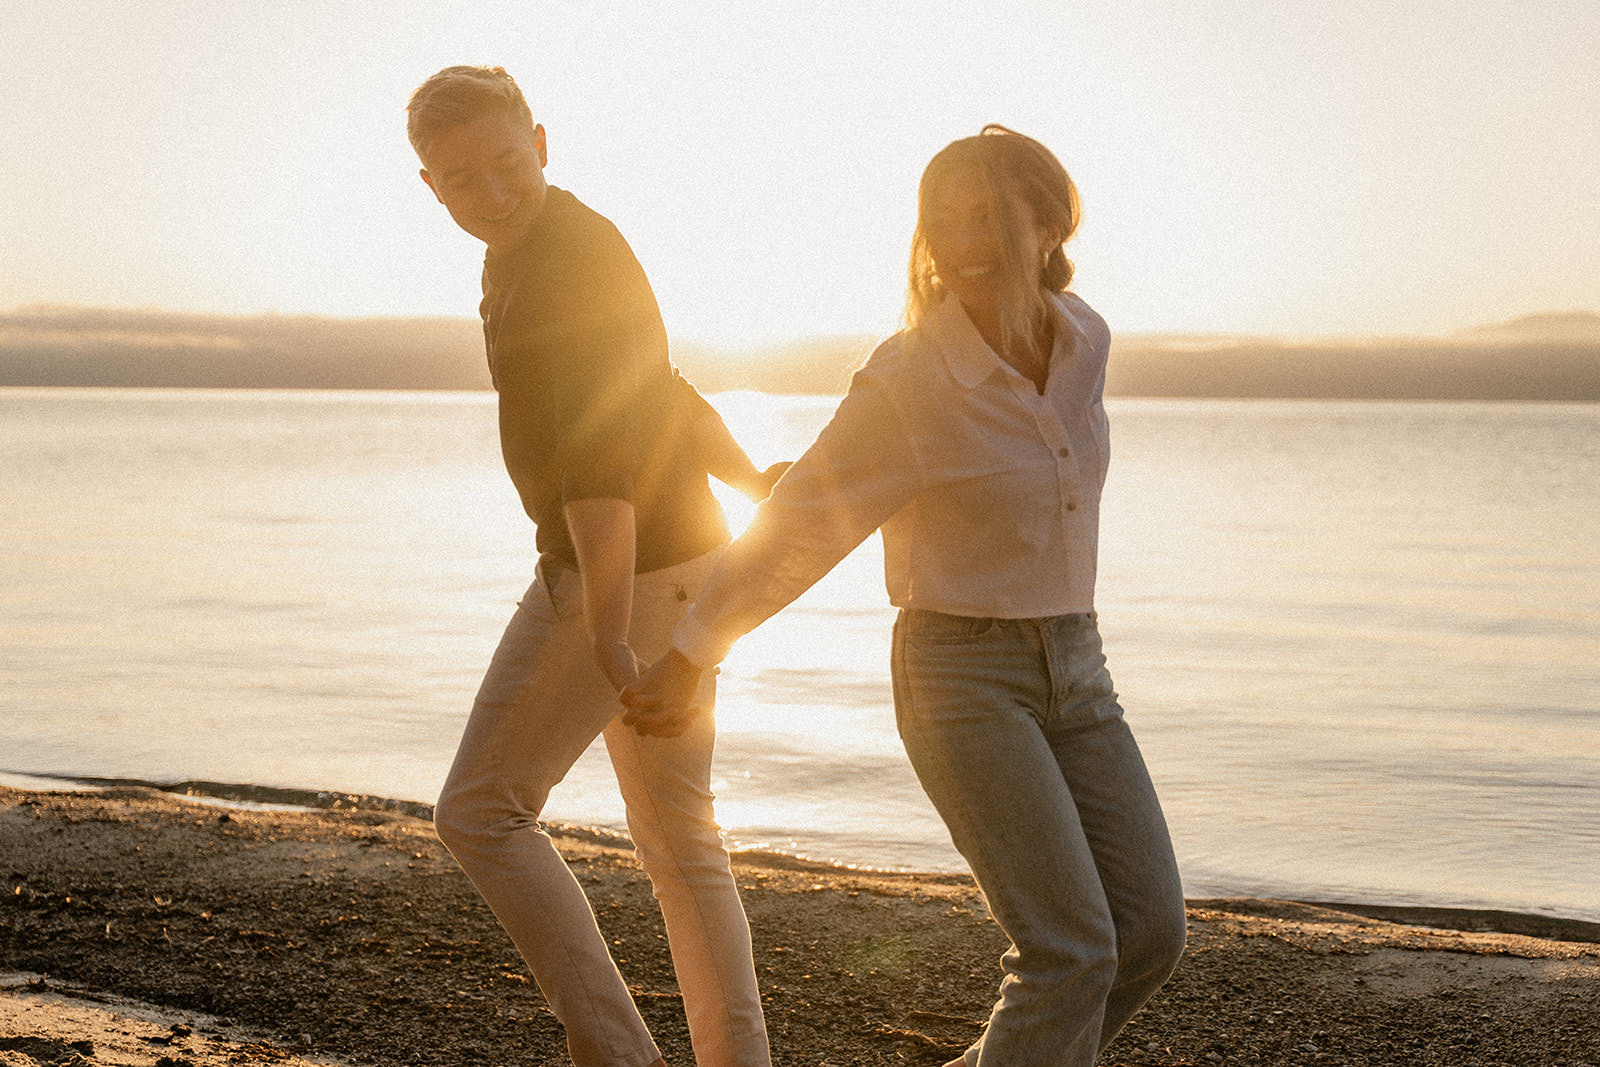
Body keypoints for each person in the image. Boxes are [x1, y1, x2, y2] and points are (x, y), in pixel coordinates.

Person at [624, 126, 1186, 1067]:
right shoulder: (913, 376)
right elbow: (803, 520)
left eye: (986, 217)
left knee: (1148, 933)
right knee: (1071, 952)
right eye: (942, 220)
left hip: (1080, 668)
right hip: (961, 674)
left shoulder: (1085, 338)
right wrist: (693, 647)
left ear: (1049, 225)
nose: (961, 241)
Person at [405, 65, 780, 1067]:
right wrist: (748, 478)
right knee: (680, 842)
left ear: (541, 140)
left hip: (617, 573)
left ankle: (619, 1054)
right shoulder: (541, 247)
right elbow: (665, 386)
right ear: (431, 188)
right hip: (687, 559)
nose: (489, 193)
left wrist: (606, 627)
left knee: (481, 810)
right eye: (461, 180)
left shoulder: (568, 260)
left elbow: (599, 470)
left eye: (504, 165)